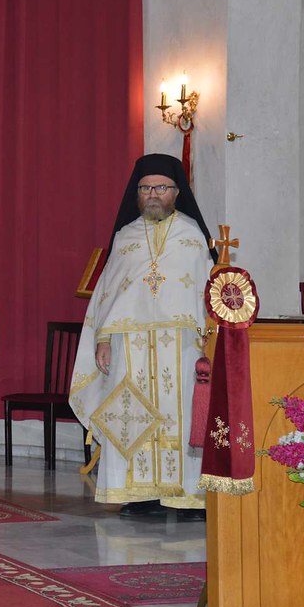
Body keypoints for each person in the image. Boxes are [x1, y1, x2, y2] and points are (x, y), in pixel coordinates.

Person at [69, 153, 215, 521]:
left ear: (177, 192)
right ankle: (140, 495)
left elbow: (206, 291)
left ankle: (189, 497)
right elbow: (107, 294)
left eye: (161, 188)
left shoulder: (193, 237)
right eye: (146, 188)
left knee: (183, 416)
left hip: (183, 346)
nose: (153, 195)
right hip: (129, 347)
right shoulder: (126, 237)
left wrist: (210, 338)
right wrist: (103, 339)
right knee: (129, 416)